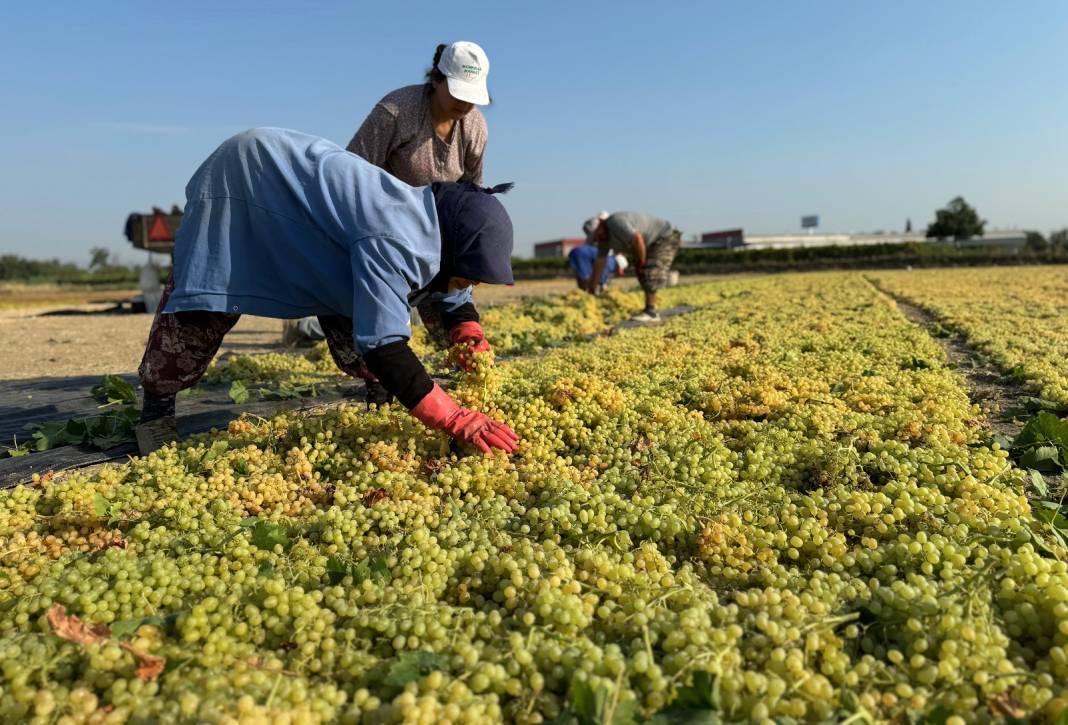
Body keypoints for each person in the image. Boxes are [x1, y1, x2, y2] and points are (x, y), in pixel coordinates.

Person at [135, 127, 518, 458]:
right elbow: (385, 345)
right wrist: (451, 416)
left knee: (357, 305)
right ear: (450, 253)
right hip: (245, 182)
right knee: (205, 303)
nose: (470, 287)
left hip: (308, 212)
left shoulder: (437, 228)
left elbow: (448, 291)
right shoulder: (393, 239)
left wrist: (467, 331)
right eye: (469, 277)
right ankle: (156, 409)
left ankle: (382, 397)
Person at [287, 41, 494, 401]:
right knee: (374, 330)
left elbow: (472, 200)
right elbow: (348, 172)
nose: (465, 103)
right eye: (458, 92)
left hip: (439, 240)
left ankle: (462, 385)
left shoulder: (474, 128)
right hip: (383, 236)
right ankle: (384, 383)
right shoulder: (397, 112)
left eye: (472, 95)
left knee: (457, 320)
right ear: (436, 79)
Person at [587, 212, 681, 321]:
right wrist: (592, 289)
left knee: (649, 270)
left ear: (601, 225)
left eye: (597, 233)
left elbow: (637, 239)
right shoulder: (603, 240)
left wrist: (640, 263)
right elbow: (599, 264)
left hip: (664, 236)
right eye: (594, 238)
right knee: (643, 271)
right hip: (648, 242)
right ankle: (650, 307)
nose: (597, 238)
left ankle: (651, 312)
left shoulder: (615, 223)